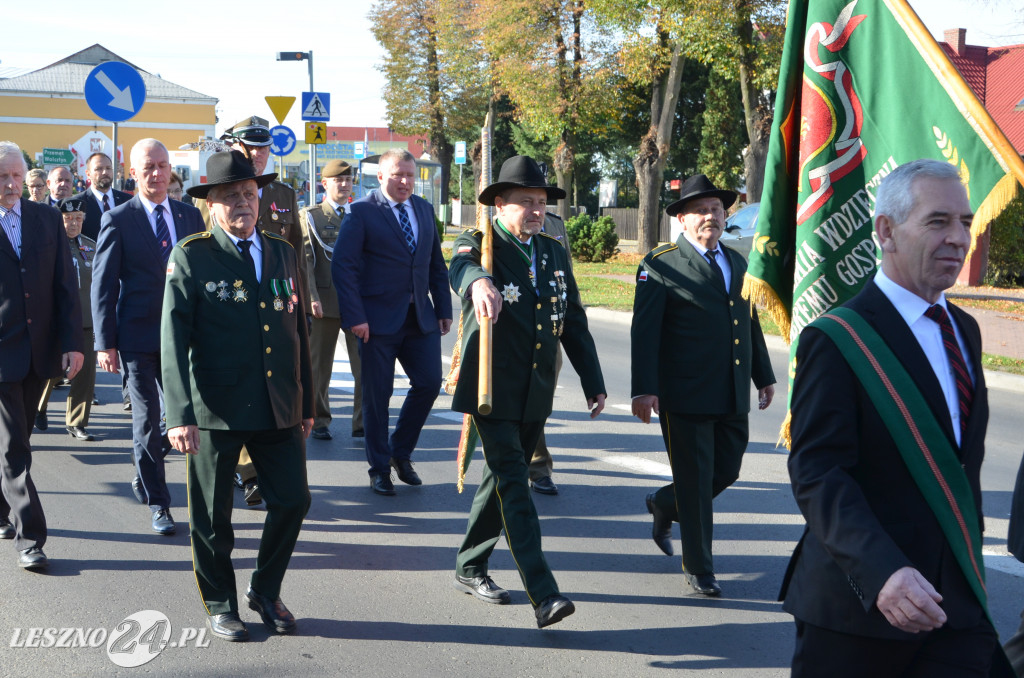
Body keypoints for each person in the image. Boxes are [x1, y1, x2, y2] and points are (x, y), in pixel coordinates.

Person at [779, 159, 1012, 676]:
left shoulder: (965, 333)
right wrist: (883, 572)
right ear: (886, 230)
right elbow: (819, 475)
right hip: (858, 614)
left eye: (966, 222)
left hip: (954, 609)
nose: (959, 238)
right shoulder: (839, 339)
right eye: (938, 222)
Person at [448, 155, 606, 628]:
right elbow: (459, 268)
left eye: (542, 203)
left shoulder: (553, 250)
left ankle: (469, 564)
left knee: (500, 479)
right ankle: (544, 591)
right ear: (500, 203)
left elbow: (572, 320)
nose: (536, 211)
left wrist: (593, 381)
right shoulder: (479, 242)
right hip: (490, 389)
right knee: (516, 486)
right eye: (526, 203)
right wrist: (477, 283)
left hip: (536, 389)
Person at [162, 149, 313, 643]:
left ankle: (264, 589)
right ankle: (222, 604)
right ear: (211, 205)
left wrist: (307, 402)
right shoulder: (193, 254)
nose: (243, 204)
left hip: (278, 404)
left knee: (292, 500)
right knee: (212, 518)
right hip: (216, 409)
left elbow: (299, 331)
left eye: (250, 194)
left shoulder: (283, 251)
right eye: (231, 197)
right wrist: (179, 415)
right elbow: (174, 338)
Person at [630, 173, 775, 597]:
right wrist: (644, 388)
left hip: (731, 389)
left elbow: (749, 322)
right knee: (695, 481)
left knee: (726, 469)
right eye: (700, 210)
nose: (710, 216)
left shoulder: (738, 262)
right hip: (685, 393)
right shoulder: (660, 264)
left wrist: (762, 375)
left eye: (716, 209)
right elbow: (645, 332)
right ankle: (699, 566)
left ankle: (663, 504)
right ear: (681, 218)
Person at [193, 116, 309, 505]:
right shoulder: (212, 192)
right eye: (252, 147)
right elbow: (204, 251)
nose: (259, 155)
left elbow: (291, 252)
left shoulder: (283, 193)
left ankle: (260, 471)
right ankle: (248, 470)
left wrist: (299, 298)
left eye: (264, 148)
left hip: (273, 301)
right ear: (236, 148)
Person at [92, 138, 204, 536]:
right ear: (134, 173)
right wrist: (105, 342)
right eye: (148, 168)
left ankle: (144, 468)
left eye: (162, 165)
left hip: (185, 338)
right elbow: (103, 284)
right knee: (146, 420)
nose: (157, 174)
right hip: (137, 337)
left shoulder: (191, 217)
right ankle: (160, 503)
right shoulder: (119, 219)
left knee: (182, 419)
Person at [332, 148, 452, 495]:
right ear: (380, 176)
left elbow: (434, 265)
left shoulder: (424, 210)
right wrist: (355, 317)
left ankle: (401, 451)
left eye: (410, 176)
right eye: (398, 175)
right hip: (376, 323)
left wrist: (443, 308)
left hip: (419, 319)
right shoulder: (362, 212)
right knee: (377, 397)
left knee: (429, 383)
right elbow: (344, 267)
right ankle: (379, 468)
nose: (405, 182)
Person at [0, 141, 84, 569]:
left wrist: (73, 343)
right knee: (15, 445)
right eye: (3, 177)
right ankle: (30, 538)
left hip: (40, 350)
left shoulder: (48, 219)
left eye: (16, 175)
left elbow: (66, 286)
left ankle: (2, 508)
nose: (11, 184)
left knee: (20, 439)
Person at [300, 159, 363, 441]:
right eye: (338, 179)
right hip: (324, 303)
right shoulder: (312, 216)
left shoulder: (360, 214)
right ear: (324, 183)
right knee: (319, 367)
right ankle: (320, 419)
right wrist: (311, 297)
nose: (345, 184)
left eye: (348, 179)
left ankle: (362, 422)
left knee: (364, 367)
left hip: (356, 303)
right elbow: (306, 260)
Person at [36, 198, 99, 441]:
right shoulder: (47, 245)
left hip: (86, 319)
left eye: (78, 219)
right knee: (52, 371)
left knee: (85, 375)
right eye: (68, 219)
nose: (73, 223)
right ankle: (38, 407)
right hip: (56, 322)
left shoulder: (91, 246)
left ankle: (77, 422)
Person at [526, 211, 574, 496]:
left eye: (542, 199)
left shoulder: (555, 223)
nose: (537, 206)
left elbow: (564, 273)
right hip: (512, 335)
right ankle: (537, 465)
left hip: (549, 331)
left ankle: (535, 463)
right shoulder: (490, 224)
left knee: (541, 402)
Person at [72, 152, 132, 240]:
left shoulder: (128, 201)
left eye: (108, 168)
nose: (105, 172)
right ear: (88, 174)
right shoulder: (77, 203)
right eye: (99, 169)